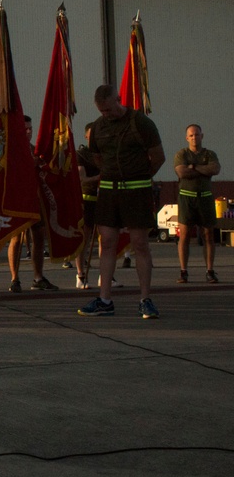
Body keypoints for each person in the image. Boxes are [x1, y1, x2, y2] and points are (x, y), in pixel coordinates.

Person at [78, 85, 164, 319]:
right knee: (106, 243)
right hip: (108, 191)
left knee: (140, 244)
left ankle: (145, 300)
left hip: (136, 191)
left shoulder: (141, 123)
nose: (106, 114)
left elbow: (158, 157)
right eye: (101, 111)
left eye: (109, 109)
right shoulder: (98, 127)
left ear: (119, 99)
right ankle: (105, 300)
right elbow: (97, 157)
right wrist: (111, 173)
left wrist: (138, 176)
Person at [7, 116, 57, 293]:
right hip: (19, 199)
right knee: (17, 238)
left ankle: (38, 276)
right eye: (25, 129)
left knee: (39, 236)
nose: (28, 132)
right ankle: (14, 278)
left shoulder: (33, 150)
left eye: (30, 128)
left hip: (35, 198)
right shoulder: (11, 150)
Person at [174, 123, 221, 283]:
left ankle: (210, 270)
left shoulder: (210, 154)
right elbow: (181, 171)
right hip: (187, 197)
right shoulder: (182, 154)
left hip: (205, 197)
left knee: (208, 235)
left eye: (197, 134)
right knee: (185, 235)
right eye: (191, 135)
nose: (195, 137)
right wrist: (202, 169)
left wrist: (193, 167)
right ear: (187, 138)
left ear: (202, 136)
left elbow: (214, 169)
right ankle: (183, 271)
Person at [74, 122, 99, 289]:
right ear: (86, 135)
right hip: (87, 199)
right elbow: (82, 179)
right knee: (84, 237)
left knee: (105, 238)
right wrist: (101, 177)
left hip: (103, 199)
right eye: (92, 134)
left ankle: (106, 275)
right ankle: (81, 274)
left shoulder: (103, 153)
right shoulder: (81, 154)